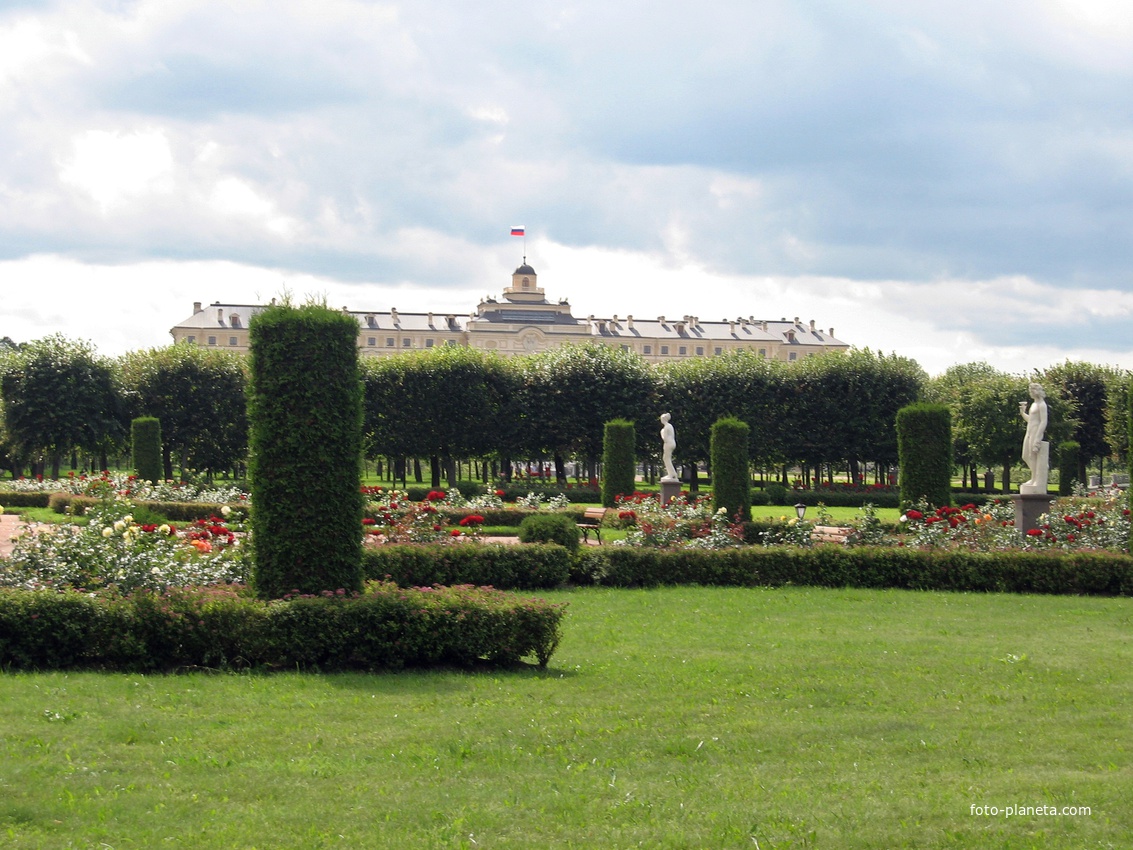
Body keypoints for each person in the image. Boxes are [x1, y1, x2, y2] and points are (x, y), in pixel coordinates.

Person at [1019, 382, 1048, 489]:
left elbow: (1043, 422)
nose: (1031, 392)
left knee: (1033, 456)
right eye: (1030, 390)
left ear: (1037, 391)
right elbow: (1030, 420)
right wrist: (1023, 413)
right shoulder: (1033, 404)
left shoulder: (1042, 405)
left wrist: (1038, 437)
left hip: (1036, 431)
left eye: (1032, 390)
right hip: (1029, 431)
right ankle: (1036, 475)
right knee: (1025, 455)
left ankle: (1035, 479)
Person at [660, 412, 678, 480]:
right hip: (672, 443)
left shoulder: (666, 427)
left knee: (666, 458)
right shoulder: (670, 426)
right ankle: (672, 474)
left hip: (668, 443)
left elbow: (665, 439)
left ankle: (672, 474)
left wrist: (662, 433)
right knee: (667, 458)